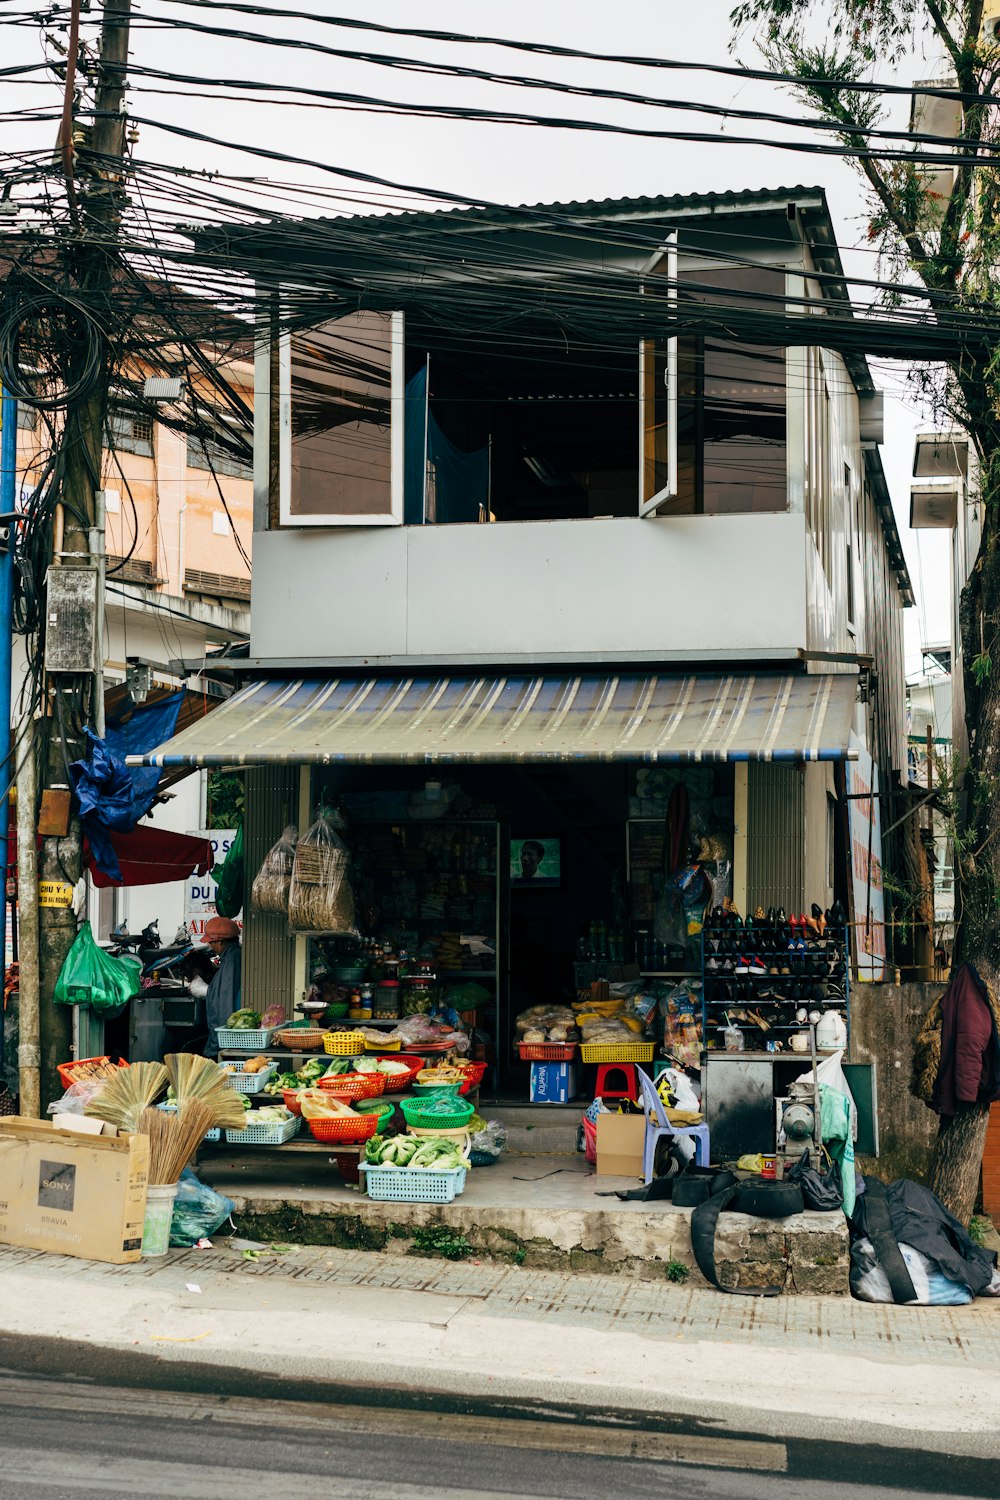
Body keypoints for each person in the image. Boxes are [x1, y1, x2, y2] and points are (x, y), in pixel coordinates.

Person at [201, 916, 242, 1056]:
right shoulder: (231, 957)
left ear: (220, 941)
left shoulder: (232, 960)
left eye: (211, 942)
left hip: (225, 1037)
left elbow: (225, 999)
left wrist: (222, 1039)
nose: (210, 946)